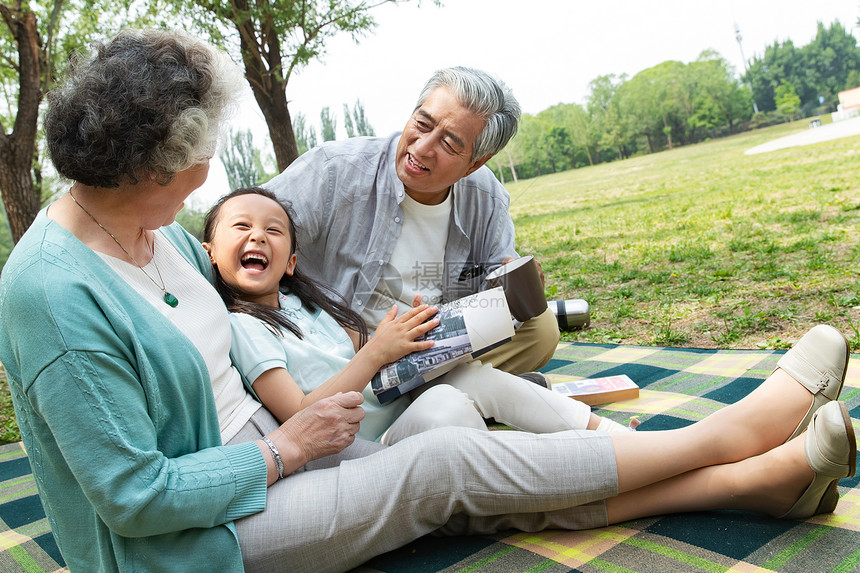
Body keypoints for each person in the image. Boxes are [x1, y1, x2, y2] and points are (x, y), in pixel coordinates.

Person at [0, 28, 855, 573]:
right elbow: (134, 498)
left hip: (299, 429)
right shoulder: (54, 292)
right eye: (206, 159)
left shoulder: (158, 233)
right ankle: (727, 443)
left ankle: (756, 480)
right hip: (193, 535)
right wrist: (283, 449)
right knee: (446, 467)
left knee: (453, 434)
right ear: (154, 167)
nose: (216, 177)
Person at [201, 187, 633, 445]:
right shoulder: (244, 327)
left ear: (291, 262)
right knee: (450, 403)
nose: (258, 234)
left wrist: (415, 334)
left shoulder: (305, 306)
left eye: (273, 230)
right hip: (372, 445)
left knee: (472, 376)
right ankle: (553, 465)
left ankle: (613, 439)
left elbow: (364, 360)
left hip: (399, 406)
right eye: (241, 227)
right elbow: (298, 413)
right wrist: (372, 357)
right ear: (210, 254)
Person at [264, 66, 559, 377]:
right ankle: (462, 392)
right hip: (342, 349)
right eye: (422, 123)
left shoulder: (486, 197)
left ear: (475, 163)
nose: (421, 148)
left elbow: (496, 285)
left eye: (449, 144)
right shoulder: (334, 168)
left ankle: (435, 392)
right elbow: (249, 231)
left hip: (434, 350)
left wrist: (513, 286)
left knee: (541, 329)